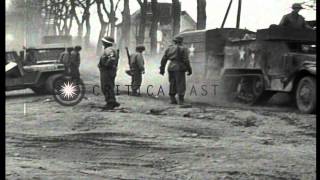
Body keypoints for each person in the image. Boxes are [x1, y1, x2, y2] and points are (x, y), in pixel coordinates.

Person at [160, 36, 192, 105]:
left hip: (171, 67)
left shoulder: (169, 48)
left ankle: (172, 99)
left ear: (174, 41)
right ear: (181, 41)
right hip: (179, 67)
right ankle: (181, 100)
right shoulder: (184, 48)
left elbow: (164, 59)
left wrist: (162, 69)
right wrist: (189, 69)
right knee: (180, 83)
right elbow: (186, 60)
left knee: (172, 83)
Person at [98, 36, 120, 110]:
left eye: (103, 42)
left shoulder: (109, 50)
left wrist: (106, 65)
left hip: (107, 70)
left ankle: (110, 103)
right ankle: (112, 101)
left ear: (106, 43)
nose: (102, 43)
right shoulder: (111, 49)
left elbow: (111, 58)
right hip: (109, 70)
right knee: (109, 86)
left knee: (106, 86)